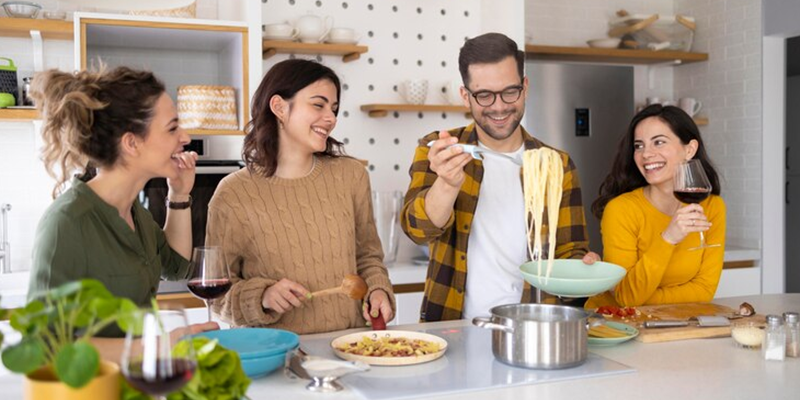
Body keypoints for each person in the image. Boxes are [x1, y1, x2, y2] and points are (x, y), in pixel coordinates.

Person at [400, 33, 598, 322]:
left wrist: (582, 269)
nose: (499, 106)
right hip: (455, 328)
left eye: (510, 92)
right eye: (484, 95)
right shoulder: (440, 150)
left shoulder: (557, 164)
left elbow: (570, 252)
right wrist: (447, 183)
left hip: (534, 329)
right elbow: (417, 230)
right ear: (465, 95)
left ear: (525, 87)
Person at [27, 66, 218, 357]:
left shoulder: (135, 214)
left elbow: (176, 267)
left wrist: (179, 194)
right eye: (172, 127)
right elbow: (45, 345)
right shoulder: (67, 223)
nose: (185, 137)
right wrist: (155, 348)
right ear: (131, 143)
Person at [206, 59, 395, 334]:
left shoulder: (351, 175)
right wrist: (263, 297)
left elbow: (368, 258)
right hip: (277, 355)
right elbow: (216, 293)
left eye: (333, 108)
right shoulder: (233, 193)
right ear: (279, 107)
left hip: (351, 349)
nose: (330, 118)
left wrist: (378, 290)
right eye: (318, 105)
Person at [586, 104, 726, 308]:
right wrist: (668, 238)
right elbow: (627, 297)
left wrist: (647, 299)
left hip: (676, 325)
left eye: (659, 142)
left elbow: (705, 290)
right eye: (639, 146)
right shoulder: (621, 210)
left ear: (689, 149)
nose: (646, 154)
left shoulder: (713, 208)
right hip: (615, 325)